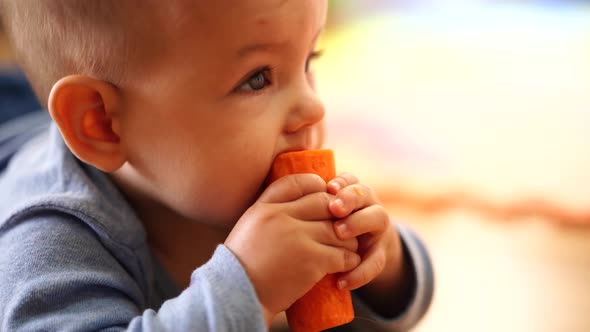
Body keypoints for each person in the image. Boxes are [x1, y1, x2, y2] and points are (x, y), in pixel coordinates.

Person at [0, 1, 434, 331]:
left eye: (309, 60)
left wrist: (382, 265)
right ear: (105, 125)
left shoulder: (208, 173)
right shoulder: (48, 243)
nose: (314, 108)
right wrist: (247, 287)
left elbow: (391, 305)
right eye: (257, 78)